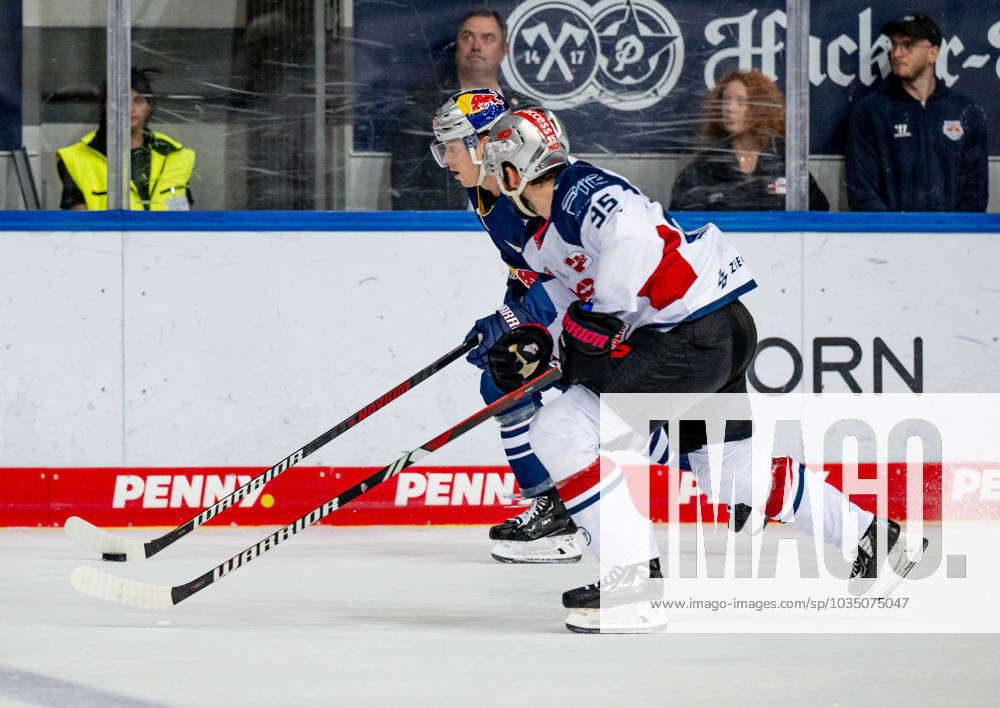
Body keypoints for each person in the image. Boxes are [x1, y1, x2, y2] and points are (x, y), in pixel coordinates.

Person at [481, 108, 928, 632]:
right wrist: (538, 344)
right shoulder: (546, 233)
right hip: (714, 329)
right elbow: (567, 299)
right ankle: (879, 540)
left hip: (689, 333)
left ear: (512, 173)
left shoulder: (580, 189)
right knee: (730, 471)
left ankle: (633, 586)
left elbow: (631, 239)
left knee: (559, 429)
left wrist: (598, 319)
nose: (490, 179)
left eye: (494, 169)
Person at [429, 88, 583, 563]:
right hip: (546, 306)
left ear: (483, 144)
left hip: (593, 314)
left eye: (452, 146)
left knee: (642, 426)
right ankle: (553, 506)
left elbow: (575, 275)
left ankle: (569, 511)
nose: (446, 159)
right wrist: (507, 313)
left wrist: (512, 319)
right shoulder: (483, 190)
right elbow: (525, 266)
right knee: (503, 382)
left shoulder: (535, 191)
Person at [846, 13, 988, 212]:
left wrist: (954, 236)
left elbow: (976, 192)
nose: (896, 54)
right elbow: (862, 192)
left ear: (933, 53)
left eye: (908, 45)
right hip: (890, 239)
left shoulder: (966, 111)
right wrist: (895, 236)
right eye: (894, 45)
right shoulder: (870, 111)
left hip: (953, 239)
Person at [390, 7, 528, 211]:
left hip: (515, 229)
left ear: (503, 50)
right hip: (445, 233)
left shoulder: (525, 111)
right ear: (457, 46)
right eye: (468, 37)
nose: (476, 46)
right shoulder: (423, 107)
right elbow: (405, 187)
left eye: (487, 38)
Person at [670, 70, 829, 211]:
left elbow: (817, 214)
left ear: (760, 108)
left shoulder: (784, 162)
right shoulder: (704, 167)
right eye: (726, 100)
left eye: (741, 101)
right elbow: (684, 224)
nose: (730, 108)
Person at [56, 68, 195, 211]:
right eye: (121, 101)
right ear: (106, 106)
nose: (130, 109)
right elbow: (81, 228)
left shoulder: (174, 154)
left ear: (149, 107)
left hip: (166, 234)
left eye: (139, 100)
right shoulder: (76, 158)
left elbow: (183, 220)